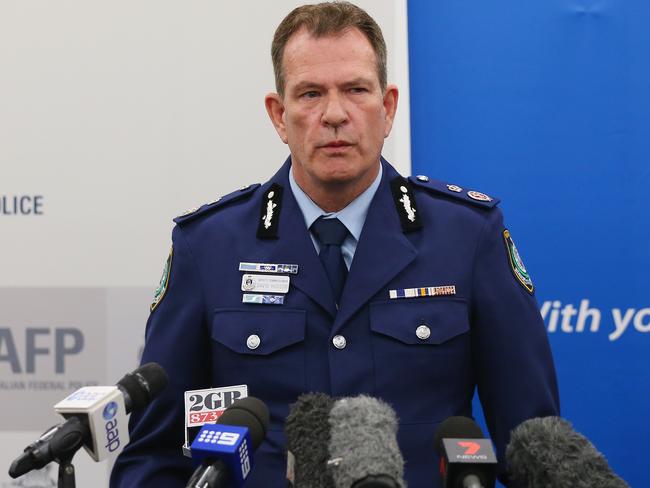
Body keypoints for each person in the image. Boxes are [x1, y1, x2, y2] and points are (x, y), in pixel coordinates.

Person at [111, 2, 559, 487]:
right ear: (279, 115)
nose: (335, 115)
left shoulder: (468, 235)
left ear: (387, 108)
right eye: (309, 94)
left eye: (355, 90)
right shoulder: (208, 247)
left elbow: (531, 446)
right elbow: (153, 459)